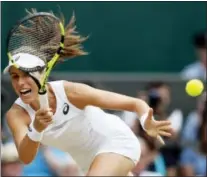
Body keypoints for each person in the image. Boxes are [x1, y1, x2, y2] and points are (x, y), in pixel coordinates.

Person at [4, 10, 172, 176]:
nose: (20, 83)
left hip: (115, 141)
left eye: (26, 75)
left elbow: (134, 103)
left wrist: (145, 121)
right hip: (87, 162)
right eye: (14, 76)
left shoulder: (71, 92)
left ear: (42, 73)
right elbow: (26, 158)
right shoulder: (17, 114)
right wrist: (36, 128)